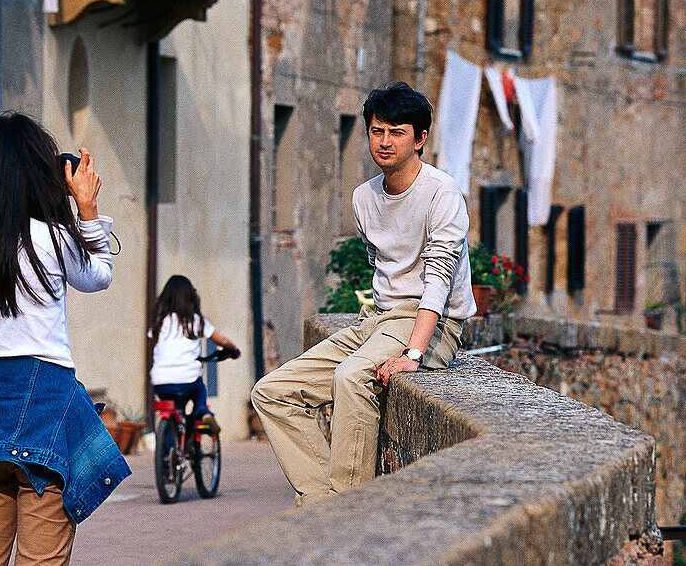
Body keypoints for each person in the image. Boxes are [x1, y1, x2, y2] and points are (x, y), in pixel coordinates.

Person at [251, 82, 475, 505]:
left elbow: (438, 280)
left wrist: (413, 355)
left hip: (433, 323)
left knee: (351, 377)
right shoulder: (363, 197)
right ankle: (327, 503)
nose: (384, 141)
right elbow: (381, 267)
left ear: (420, 139)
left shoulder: (441, 192)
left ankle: (349, 504)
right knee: (271, 392)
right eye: (376, 131)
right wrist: (373, 328)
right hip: (380, 320)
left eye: (397, 131)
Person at [0, 113, 130, 566]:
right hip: (44, 406)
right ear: (39, 175)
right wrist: (85, 208)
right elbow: (99, 275)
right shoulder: (53, 237)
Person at [149, 275, 239, 434]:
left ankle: (170, 445)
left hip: (161, 382)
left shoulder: (159, 321)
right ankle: (203, 411)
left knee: (174, 409)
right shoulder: (195, 320)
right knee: (199, 388)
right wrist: (234, 350)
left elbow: (152, 344)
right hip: (188, 381)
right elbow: (222, 340)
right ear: (191, 297)